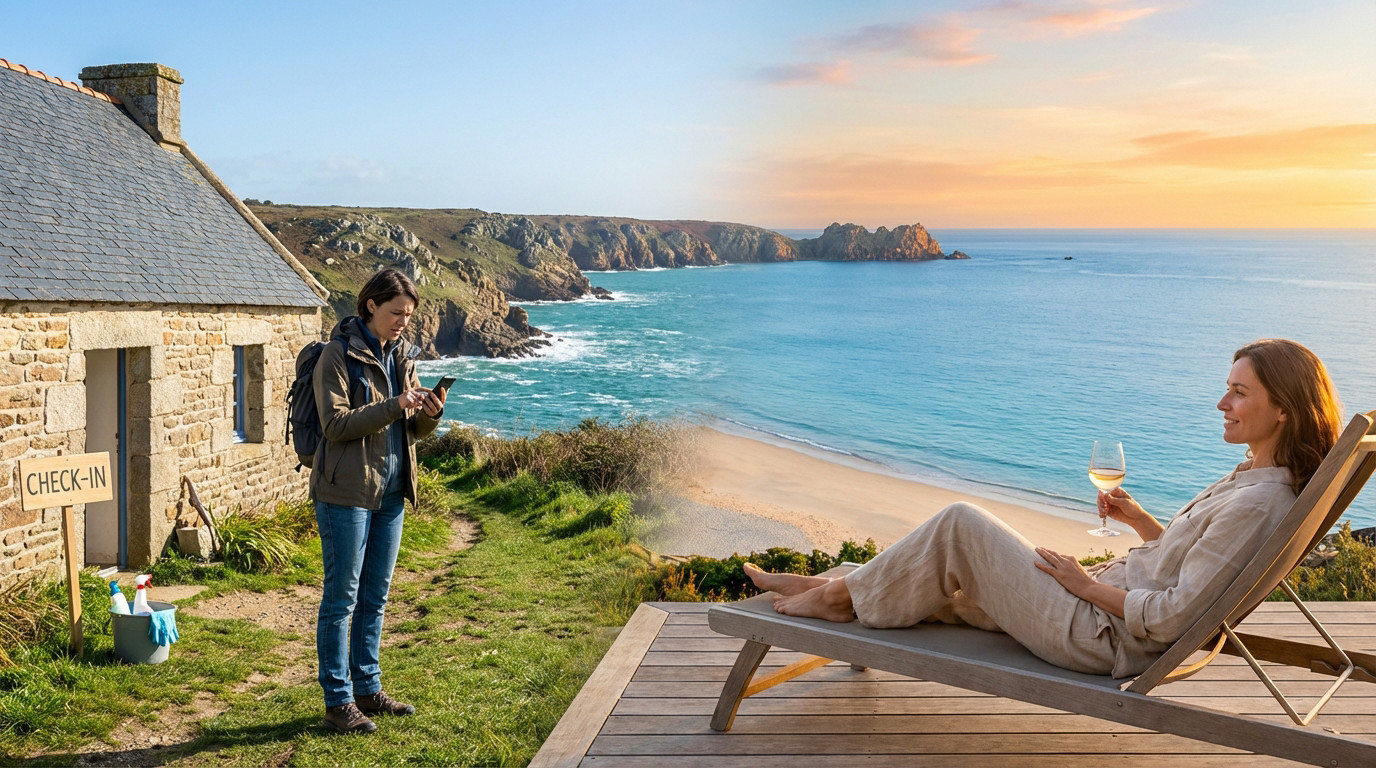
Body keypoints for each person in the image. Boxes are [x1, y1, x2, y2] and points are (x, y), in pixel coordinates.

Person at [744, 339, 1343, 678]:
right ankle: (837, 588)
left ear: (1284, 408)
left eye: (1239, 392)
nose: (1221, 402)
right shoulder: (1257, 479)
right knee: (950, 585)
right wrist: (1140, 523)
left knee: (961, 523)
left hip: (1099, 632)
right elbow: (1191, 569)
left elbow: (1169, 617)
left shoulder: (1261, 500)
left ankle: (831, 596)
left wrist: (1083, 587)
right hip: (1096, 605)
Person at [311, 268, 446, 733]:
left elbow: (409, 432)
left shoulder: (403, 357)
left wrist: (429, 415)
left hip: (390, 497)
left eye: (408, 316)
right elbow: (335, 426)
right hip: (344, 496)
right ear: (370, 305)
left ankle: (367, 690)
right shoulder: (336, 355)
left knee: (376, 596)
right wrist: (396, 404)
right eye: (396, 313)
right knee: (341, 600)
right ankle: (337, 701)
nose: (403, 323)